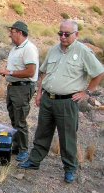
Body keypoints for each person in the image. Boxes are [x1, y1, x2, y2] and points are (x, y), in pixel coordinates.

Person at [19, 20, 104, 183]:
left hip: (67, 102)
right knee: (42, 132)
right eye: (60, 34)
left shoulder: (83, 51)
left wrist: (87, 92)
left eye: (67, 34)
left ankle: (70, 168)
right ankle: (34, 161)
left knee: (67, 137)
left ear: (76, 34)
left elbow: (99, 73)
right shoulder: (53, 50)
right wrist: (39, 93)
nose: (63, 37)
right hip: (47, 100)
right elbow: (43, 72)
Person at [0, 21, 39, 162]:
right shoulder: (16, 48)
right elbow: (16, 68)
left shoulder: (29, 48)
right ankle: (16, 145)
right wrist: (7, 73)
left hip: (23, 88)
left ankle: (23, 150)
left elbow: (30, 71)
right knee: (14, 117)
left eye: (12, 32)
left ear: (20, 33)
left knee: (20, 119)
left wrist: (9, 72)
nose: (10, 34)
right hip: (14, 87)